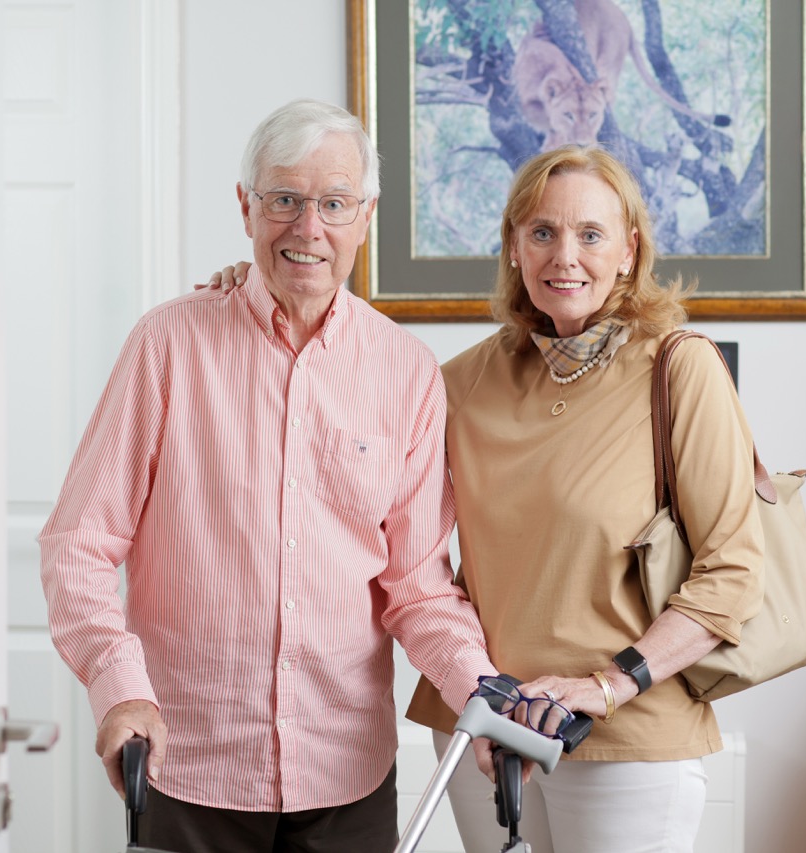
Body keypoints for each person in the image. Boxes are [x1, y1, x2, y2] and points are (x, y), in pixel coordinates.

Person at [208, 145, 765, 853]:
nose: (565, 255)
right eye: (542, 232)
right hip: (486, 729)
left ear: (629, 251)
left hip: (626, 735)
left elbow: (733, 574)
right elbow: (346, 423)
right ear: (513, 246)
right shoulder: (462, 381)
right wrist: (261, 287)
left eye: (590, 235)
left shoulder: (679, 368)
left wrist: (607, 685)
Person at [39, 98, 505, 853]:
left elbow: (416, 582)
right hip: (186, 764)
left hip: (346, 773)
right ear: (245, 207)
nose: (307, 228)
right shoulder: (168, 345)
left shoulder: (408, 372)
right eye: (283, 199)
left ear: (366, 213)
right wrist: (119, 686)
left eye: (333, 203)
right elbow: (78, 544)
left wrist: (481, 692)